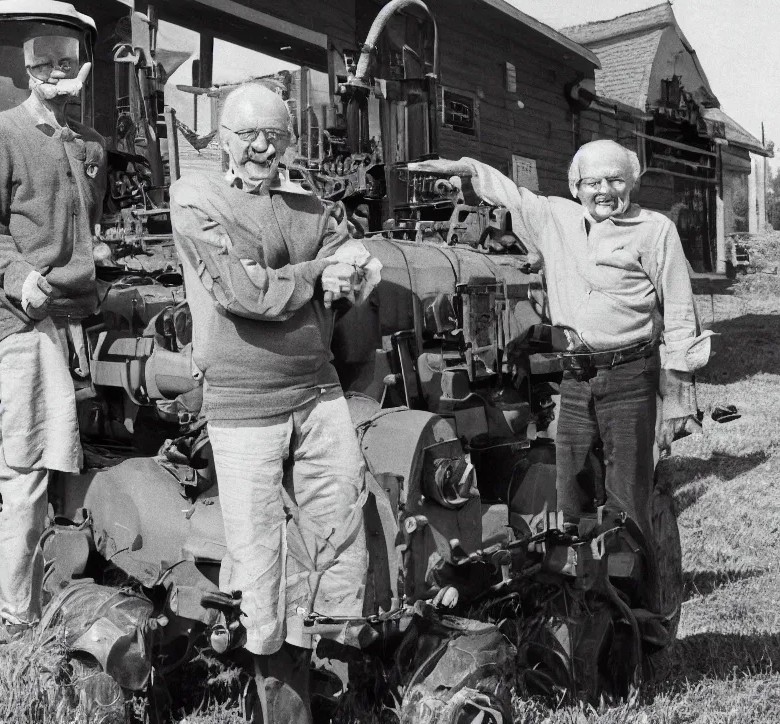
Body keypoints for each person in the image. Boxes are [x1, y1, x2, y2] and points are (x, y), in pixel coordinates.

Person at [169, 82, 380, 724]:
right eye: (248, 134)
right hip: (244, 404)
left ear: (289, 140)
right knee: (260, 557)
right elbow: (245, 293)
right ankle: (278, 704)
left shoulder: (305, 199)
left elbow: (351, 252)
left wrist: (353, 264)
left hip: (318, 391)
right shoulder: (194, 196)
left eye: (276, 135)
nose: (263, 146)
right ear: (222, 138)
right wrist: (318, 275)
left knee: (343, 527)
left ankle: (337, 669)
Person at [411, 141, 710, 573]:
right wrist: (465, 167)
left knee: (626, 497)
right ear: (575, 186)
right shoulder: (556, 216)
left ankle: (642, 617)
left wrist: (679, 397)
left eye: (615, 180)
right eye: (592, 182)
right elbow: (507, 191)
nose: (604, 191)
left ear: (634, 181)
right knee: (572, 492)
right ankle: (586, 593)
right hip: (575, 379)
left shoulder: (655, 230)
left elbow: (681, 314)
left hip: (629, 375)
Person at [0, 31, 105, 638]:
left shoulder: (88, 146)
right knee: (26, 464)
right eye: (45, 66)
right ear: (29, 72)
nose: (57, 75)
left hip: (79, 315)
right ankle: (15, 614)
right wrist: (23, 280)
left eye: (68, 66)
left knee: (90, 450)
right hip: (23, 317)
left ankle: (80, 579)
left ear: (81, 72)